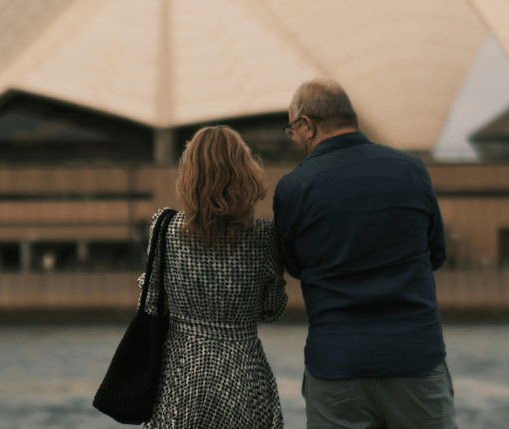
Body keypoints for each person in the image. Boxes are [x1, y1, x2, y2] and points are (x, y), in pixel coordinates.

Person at [273, 79, 455, 429]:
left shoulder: (294, 187)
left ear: (307, 125)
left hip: (337, 364)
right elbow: (436, 253)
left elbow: (295, 266)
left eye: (292, 130)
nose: (294, 139)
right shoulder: (411, 168)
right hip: (415, 356)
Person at [139, 125, 288, 429]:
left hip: (182, 374)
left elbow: (151, 303)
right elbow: (272, 309)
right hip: (244, 373)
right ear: (246, 172)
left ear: (189, 175)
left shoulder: (165, 227)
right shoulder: (265, 236)